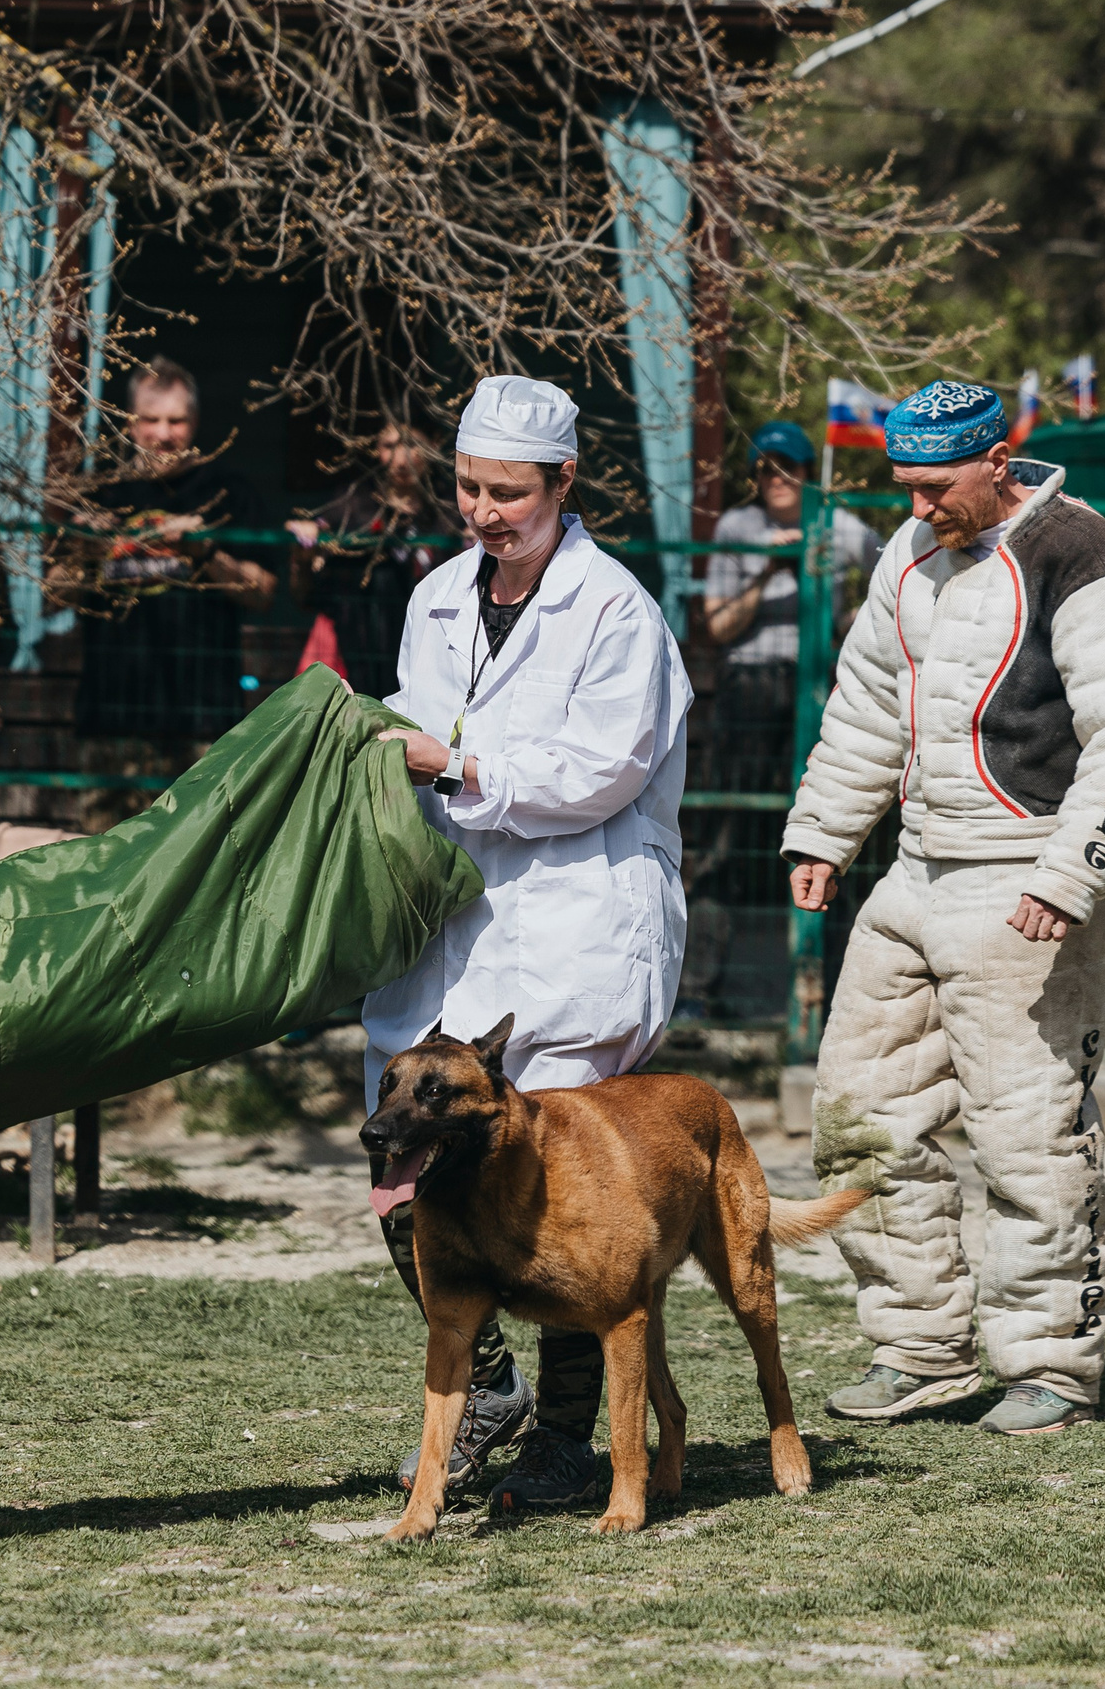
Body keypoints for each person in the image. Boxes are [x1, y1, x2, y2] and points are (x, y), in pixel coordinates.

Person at [782, 379, 1105, 1438]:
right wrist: (824, 830)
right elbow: (867, 698)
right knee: (859, 1115)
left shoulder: (1086, 558)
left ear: (997, 460)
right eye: (902, 486)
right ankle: (919, 1348)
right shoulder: (907, 554)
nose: (916, 506)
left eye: (934, 485)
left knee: (1026, 1134)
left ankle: (1049, 1362)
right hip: (915, 870)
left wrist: (1068, 877)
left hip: (1027, 880)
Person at [361, 374, 693, 1514]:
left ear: (563, 484)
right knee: (399, 1158)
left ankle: (565, 1441)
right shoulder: (440, 594)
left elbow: (604, 770)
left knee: (562, 1200)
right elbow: (416, 723)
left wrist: (454, 768)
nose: (483, 509)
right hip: (458, 922)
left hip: (576, 920)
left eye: (509, 491)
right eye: (467, 485)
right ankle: (486, 1383)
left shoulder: (615, 612)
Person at [674, 422, 878, 1019]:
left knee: (833, 834)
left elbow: (894, 572)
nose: (776, 479)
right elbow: (717, 625)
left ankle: (834, 997)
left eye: (787, 467)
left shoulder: (839, 527)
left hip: (819, 692)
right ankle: (697, 993)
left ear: (809, 473)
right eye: (764, 468)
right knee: (724, 837)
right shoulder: (740, 529)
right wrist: (769, 567)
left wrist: (853, 619)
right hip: (750, 689)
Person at [66, 359, 277, 738]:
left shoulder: (227, 491)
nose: (163, 433)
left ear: (194, 423)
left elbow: (263, 593)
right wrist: (85, 556)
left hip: (204, 721)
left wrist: (206, 552)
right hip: (111, 716)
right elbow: (48, 594)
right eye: (151, 419)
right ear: (130, 422)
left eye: (176, 421)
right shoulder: (100, 491)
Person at [286, 418, 460, 701]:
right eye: (389, 446)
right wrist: (305, 544)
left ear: (434, 445)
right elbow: (308, 582)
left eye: (412, 446)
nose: (401, 459)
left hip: (431, 648)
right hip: (360, 646)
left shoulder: (451, 505)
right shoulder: (354, 501)